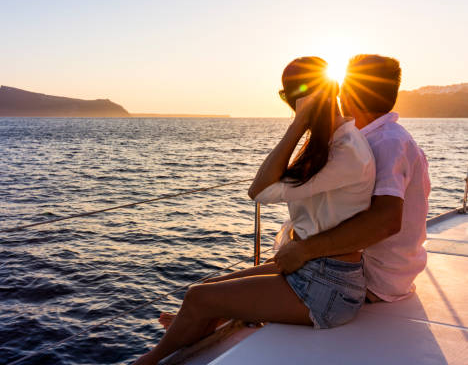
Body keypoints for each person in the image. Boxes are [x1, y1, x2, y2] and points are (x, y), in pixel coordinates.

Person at [133, 57, 376, 365]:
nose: (289, 105)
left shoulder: (345, 151)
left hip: (328, 289)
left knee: (198, 297)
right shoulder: (332, 142)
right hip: (314, 271)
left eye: (289, 98)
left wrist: (299, 123)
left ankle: (147, 361)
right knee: (208, 290)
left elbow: (258, 191)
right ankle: (193, 332)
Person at [273, 55, 431, 304]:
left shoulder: (388, 142)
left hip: (371, 278)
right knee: (222, 290)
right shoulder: (376, 138)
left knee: (215, 297)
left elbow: (386, 221)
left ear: (349, 91)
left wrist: (305, 250)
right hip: (367, 270)